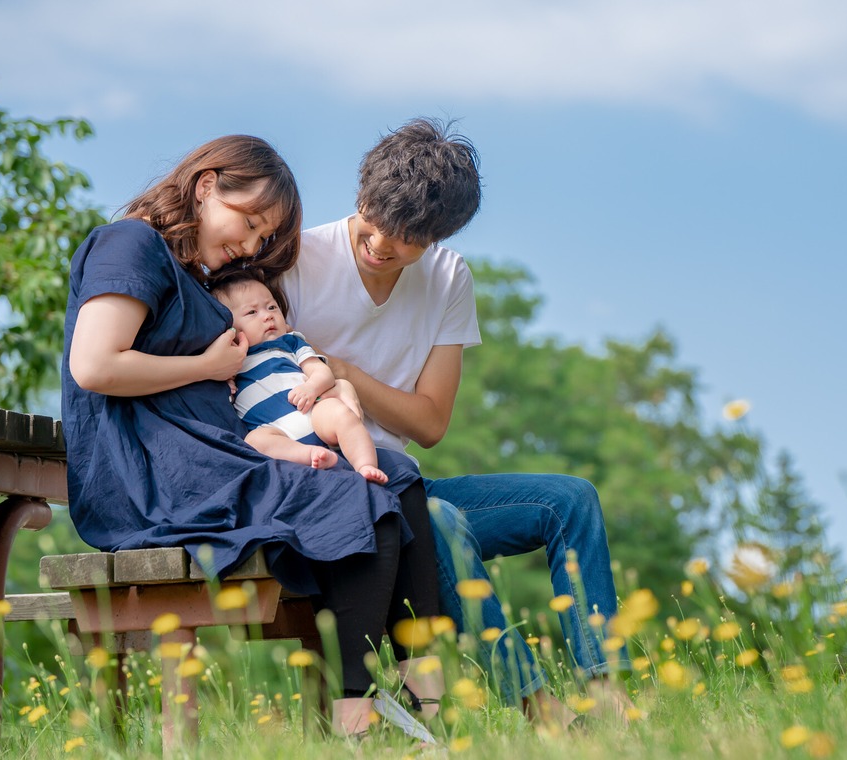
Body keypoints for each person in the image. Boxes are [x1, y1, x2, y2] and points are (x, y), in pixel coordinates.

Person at [61, 135, 439, 737]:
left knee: (395, 471)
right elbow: (94, 366)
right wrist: (208, 368)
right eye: (250, 222)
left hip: (210, 457)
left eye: (264, 238)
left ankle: (424, 695)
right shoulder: (130, 244)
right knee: (355, 494)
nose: (251, 243)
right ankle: (356, 715)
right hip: (157, 476)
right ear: (207, 185)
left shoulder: (188, 274)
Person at [279, 118, 632, 722]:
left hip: (406, 485)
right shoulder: (297, 263)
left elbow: (430, 423)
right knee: (436, 516)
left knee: (571, 500)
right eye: (377, 218)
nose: (384, 243)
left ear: (439, 237)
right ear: (362, 193)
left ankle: (605, 693)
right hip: (328, 493)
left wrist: (345, 370)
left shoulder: (448, 277)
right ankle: (538, 705)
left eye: (410, 236)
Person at [212, 271, 388, 484]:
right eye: (251, 312)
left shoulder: (290, 343)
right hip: (277, 433)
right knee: (255, 441)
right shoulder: (233, 360)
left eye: (271, 307)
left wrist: (312, 387)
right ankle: (309, 455)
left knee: (339, 412)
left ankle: (365, 465)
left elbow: (322, 372)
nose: (267, 315)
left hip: (314, 414)